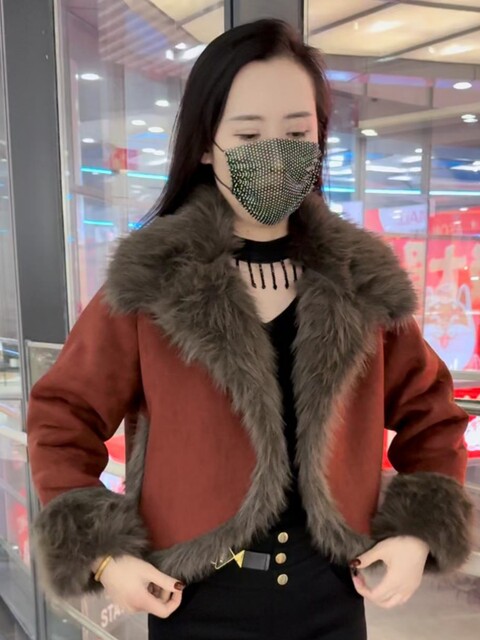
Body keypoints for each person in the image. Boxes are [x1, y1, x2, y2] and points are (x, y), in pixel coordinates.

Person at [27, 19, 473, 640]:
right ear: (207, 145)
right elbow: (62, 417)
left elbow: (433, 414)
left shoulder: (360, 282)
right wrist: (104, 556)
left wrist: (419, 534)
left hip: (331, 599)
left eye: (297, 132)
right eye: (248, 133)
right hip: (195, 603)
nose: (276, 151)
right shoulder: (153, 281)